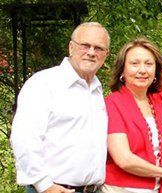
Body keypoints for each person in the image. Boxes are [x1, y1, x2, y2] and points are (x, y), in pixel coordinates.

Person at [10, 22, 110, 193]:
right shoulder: (44, 83)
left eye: (98, 48)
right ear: (71, 47)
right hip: (53, 189)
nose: (91, 52)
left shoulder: (96, 90)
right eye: (85, 45)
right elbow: (24, 138)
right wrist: (44, 184)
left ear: (106, 55)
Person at [103, 38, 162, 193]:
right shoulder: (112, 103)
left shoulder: (157, 102)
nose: (142, 70)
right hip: (121, 189)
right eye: (135, 63)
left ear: (156, 71)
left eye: (149, 64)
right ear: (122, 70)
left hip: (156, 188)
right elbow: (124, 159)